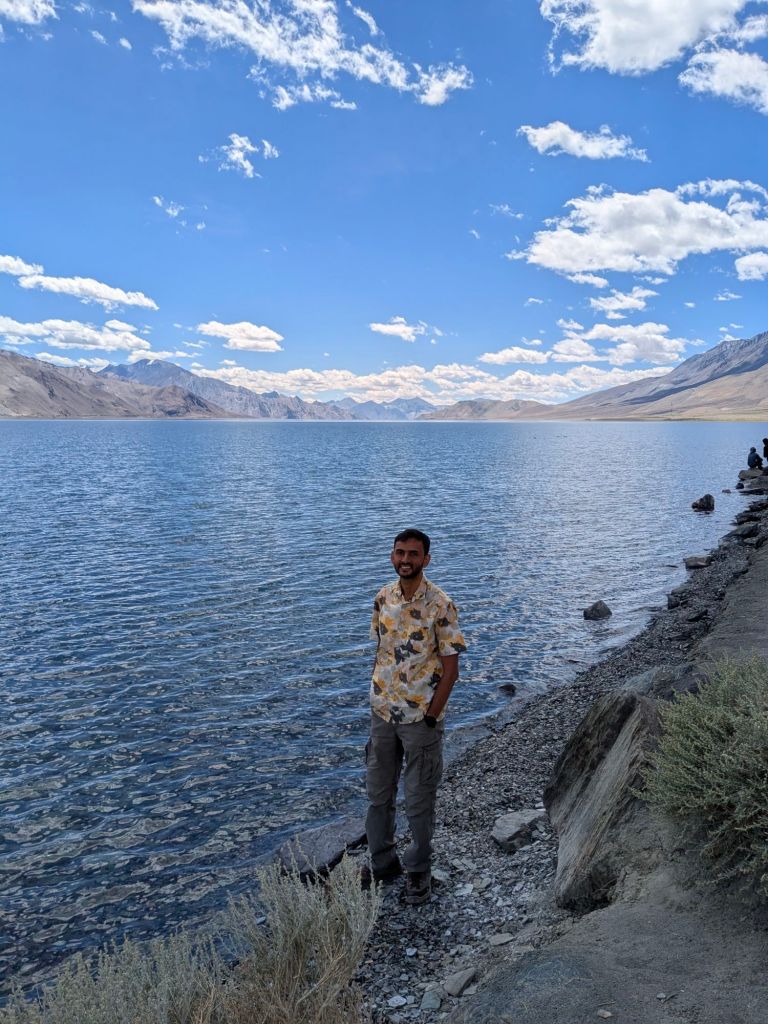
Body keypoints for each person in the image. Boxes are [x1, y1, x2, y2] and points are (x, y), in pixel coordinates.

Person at [363, 528, 467, 906]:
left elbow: (451, 670)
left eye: (413, 554)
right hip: (383, 714)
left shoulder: (441, 605)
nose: (405, 559)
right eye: (400, 553)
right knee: (378, 795)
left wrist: (431, 717)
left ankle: (419, 870)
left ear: (426, 559)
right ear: (392, 556)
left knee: (419, 799)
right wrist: (378, 697)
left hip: (420, 719)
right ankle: (382, 862)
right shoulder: (383, 598)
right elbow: (382, 652)